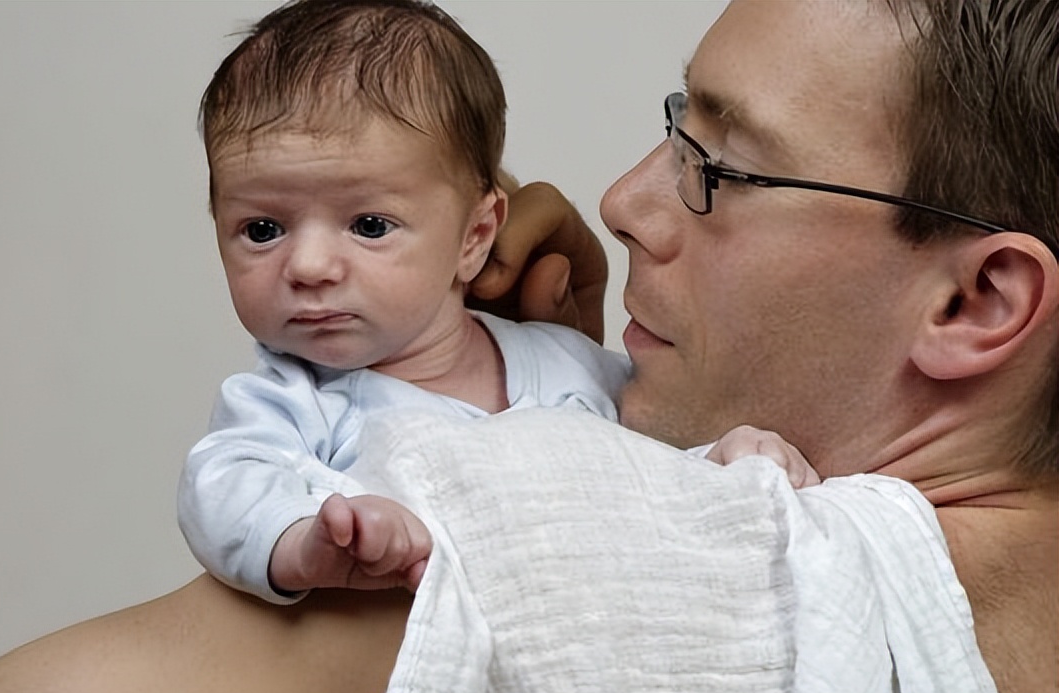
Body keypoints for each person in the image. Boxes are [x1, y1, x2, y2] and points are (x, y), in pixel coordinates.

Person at [0, 0, 1059, 693]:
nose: (617, 201)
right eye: (672, 128)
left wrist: (548, 460)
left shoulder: (524, 538)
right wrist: (558, 377)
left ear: (975, 299)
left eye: (720, 167)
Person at [181, 0, 816, 606]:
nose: (309, 266)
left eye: (369, 225)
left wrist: (727, 459)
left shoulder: (568, 364)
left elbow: (644, 478)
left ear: (474, 237)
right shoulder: (289, 404)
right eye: (263, 229)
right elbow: (223, 488)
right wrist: (306, 544)